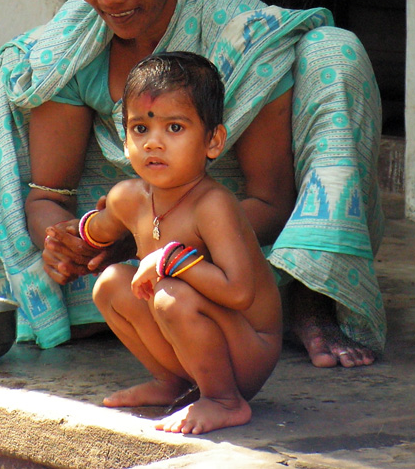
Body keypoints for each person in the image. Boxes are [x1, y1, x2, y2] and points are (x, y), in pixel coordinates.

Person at [0, 0, 385, 368]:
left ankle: (309, 295)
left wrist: (147, 237)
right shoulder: (73, 46)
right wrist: (63, 242)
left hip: (238, 249)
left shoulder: (241, 36)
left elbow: (270, 202)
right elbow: (48, 195)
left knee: (334, 53)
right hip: (131, 252)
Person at [85, 51, 282, 434]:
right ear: (124, 140)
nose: (153, 144)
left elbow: (240, 292)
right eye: (140, 129)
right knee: (110, 283)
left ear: (213, 140)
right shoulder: (129, 197)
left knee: (170, 294)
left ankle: (224, 401)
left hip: (246, 349)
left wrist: (168, 258)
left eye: (174, 129)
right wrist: (77, 236)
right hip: (188, 341)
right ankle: (172, 383)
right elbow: (99, 228)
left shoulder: (213, 206)